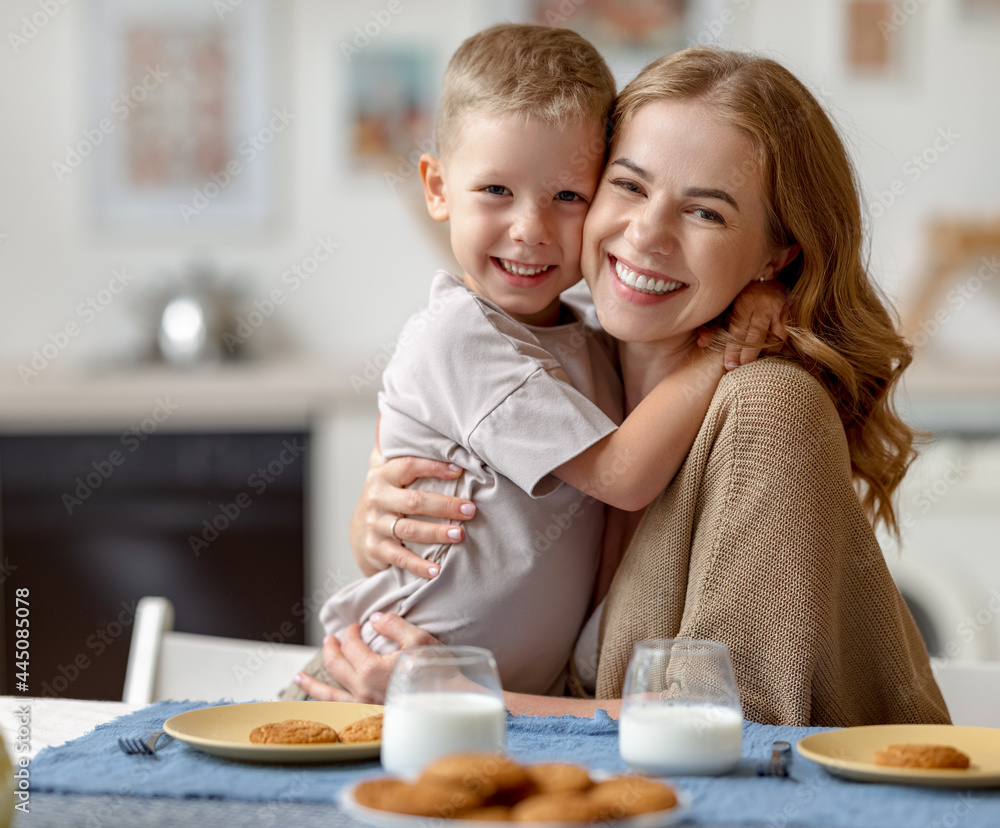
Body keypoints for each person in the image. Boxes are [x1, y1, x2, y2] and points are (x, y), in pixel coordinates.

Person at [298, 46, 949, 728]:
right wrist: (374, 527)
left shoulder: (766, 407)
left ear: (776, 254)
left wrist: (456, 699)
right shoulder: (569, 358)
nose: (647, 234)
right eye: (629, 186)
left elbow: (740, 728)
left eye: (707, 213)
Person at [283, 25, 789, 702]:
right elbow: (623, 475)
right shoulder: (459, 337)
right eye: (496, 190)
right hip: (377, 684)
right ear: (437, 186)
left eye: (568, 197)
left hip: (491, 706)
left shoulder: (588, 339)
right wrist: (725, 349)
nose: (531, 228)